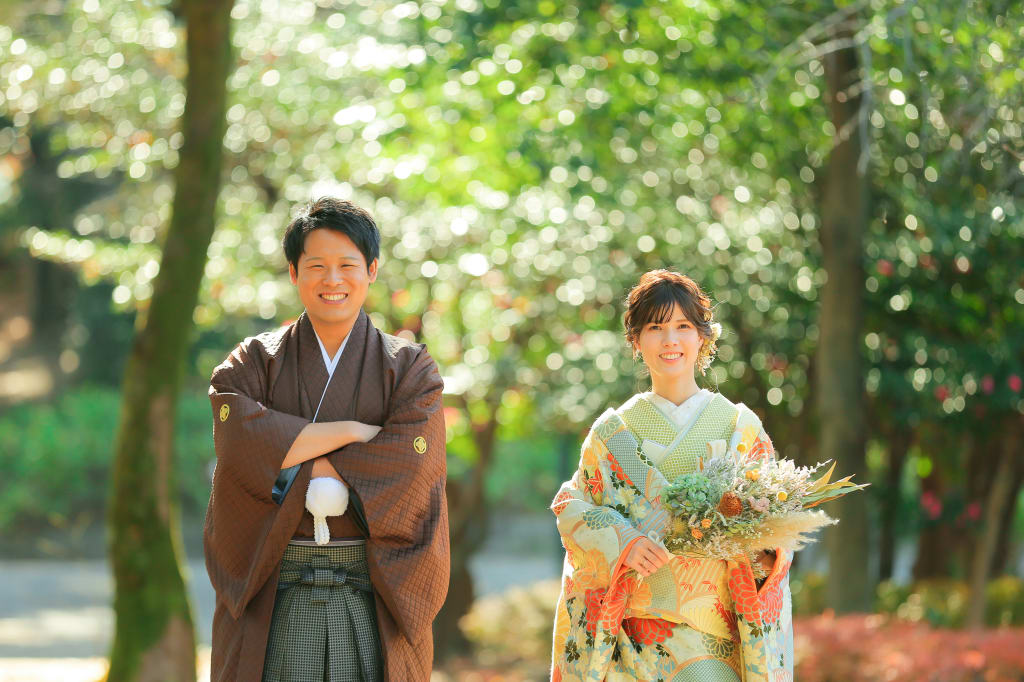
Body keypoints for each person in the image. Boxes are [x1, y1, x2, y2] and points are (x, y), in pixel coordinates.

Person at [204, 197, 449, 682]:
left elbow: (410, 466)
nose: (332, 280)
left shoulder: (409, 369)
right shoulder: (253, 362)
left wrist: (288, 456)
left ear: (372, 269)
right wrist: (354, 434)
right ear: (294, 273)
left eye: (347, 265)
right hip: (275, 586)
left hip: (372, 587)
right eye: (316, 266)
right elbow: (238, 448)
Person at [550, 269, 793, 682]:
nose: (670, 340)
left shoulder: (739, 427)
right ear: (636, 340)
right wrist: (624, 540)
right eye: (655, 327)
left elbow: (777, 534)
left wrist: (763, 553)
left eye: (683, 326)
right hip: (633, 643)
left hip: (716, 644)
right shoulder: (612, 434)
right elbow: (571, 506)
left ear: (703, 337)